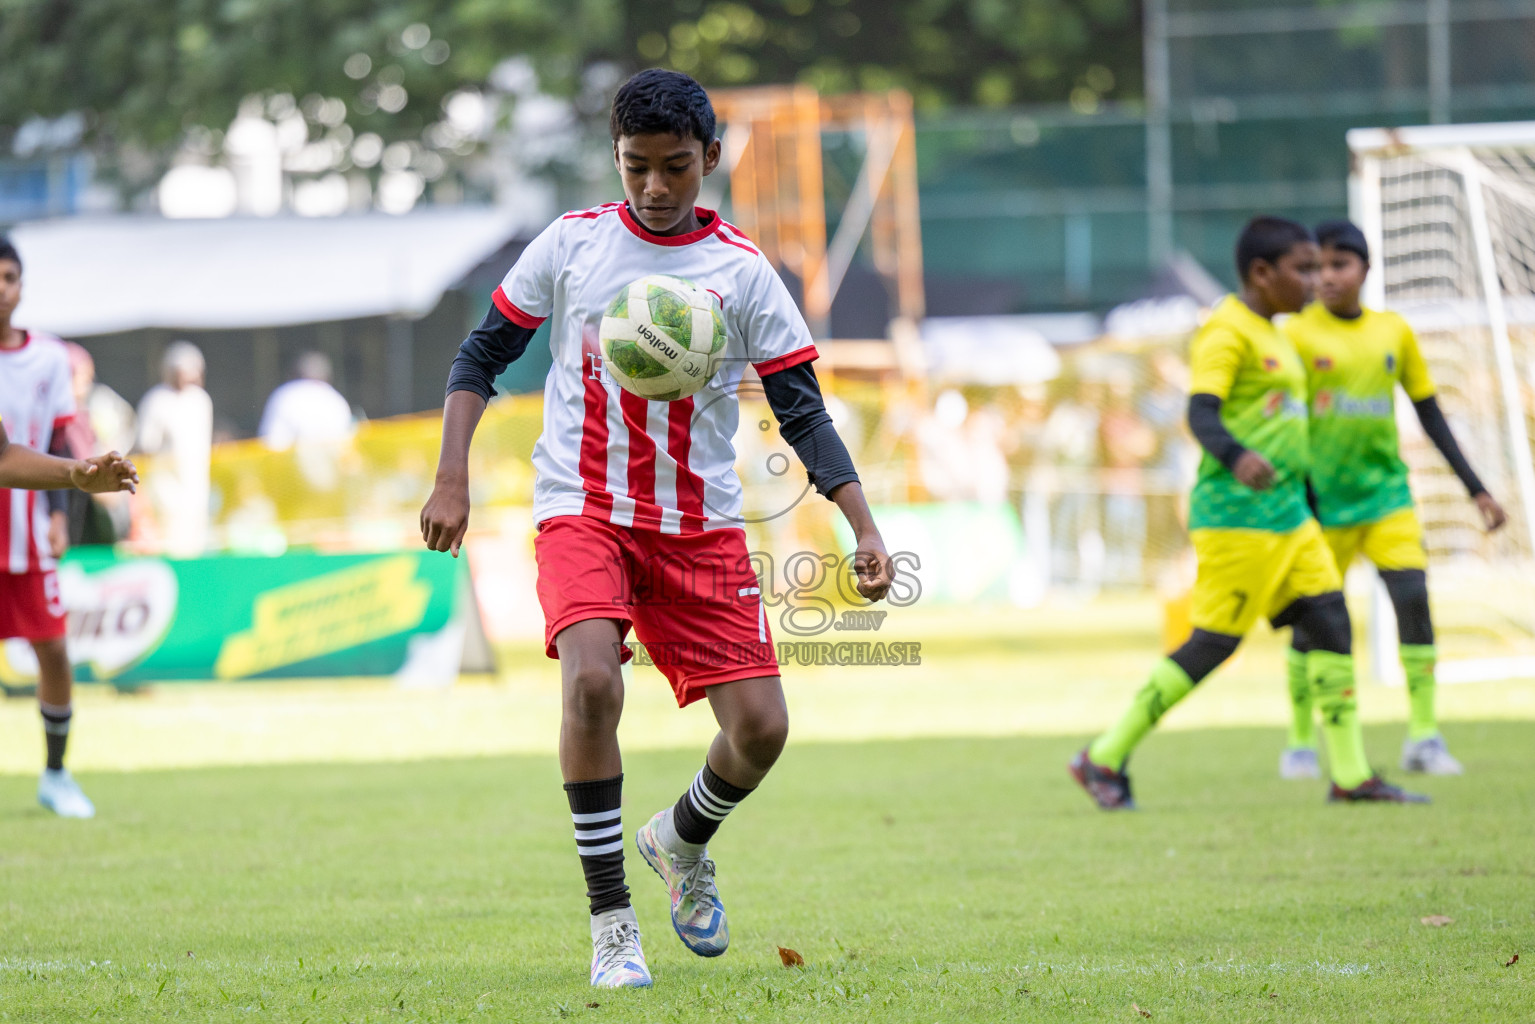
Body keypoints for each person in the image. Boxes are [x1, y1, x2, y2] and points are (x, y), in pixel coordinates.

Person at [420, 70, 893, 989]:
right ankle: (611, 927)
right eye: (636, 167)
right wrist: (452, 475)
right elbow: (483, 352)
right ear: (617, 160)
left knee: (761, 732)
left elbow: (801, 410)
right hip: (582, 509)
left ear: (710, 160)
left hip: (700, 527)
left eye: (676, 167)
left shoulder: (743, 273)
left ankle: (679, 840)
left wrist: (861, 527)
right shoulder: (571, 245)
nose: (655, 187)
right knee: (592, 683)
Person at [1069, 216, 1426, 809]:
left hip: (1290, 517)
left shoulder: (1277, 332)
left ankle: (1350, 774)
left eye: (1320, 267)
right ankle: (1103, 756)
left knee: (1332, 625)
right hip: (1240, 518)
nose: (1314, 280)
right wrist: (1236, 457)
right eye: (1303, 268)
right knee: (1212, 644)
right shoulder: (1227, 331)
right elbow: (1200, 413)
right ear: (1262, 274)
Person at [1277, 220, 1506, 779]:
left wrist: (1475, 488)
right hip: (1321, 505)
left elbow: (1430, 414)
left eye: (1339, 265)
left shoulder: (1394, 333)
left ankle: (1424, 737)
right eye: (1318, 267)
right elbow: (1283, 426)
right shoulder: (1297, 336)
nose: (1326, 277)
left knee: (1413, 603)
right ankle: (1301, 741)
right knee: (1315, 626)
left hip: (1387, 499)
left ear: (1365, 269)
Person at [0, 238, 138, 819]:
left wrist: (63, 506)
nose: (0, 288)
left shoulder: (49, 358)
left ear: (22, 286)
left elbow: (50, 440)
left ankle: (56, 775)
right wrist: (78, 476)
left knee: (53, 651)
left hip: (27, 536)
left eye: (8, 277)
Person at [136, 341, 214, 557]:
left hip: (196, 490)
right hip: (166, 493)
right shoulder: (157, 401)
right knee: (171, 547)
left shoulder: (200, 401)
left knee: (196, 545)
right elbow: (146, 447)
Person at [259, 351, 355, 449]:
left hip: (295, 462)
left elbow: (270, 443)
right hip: (332, 462)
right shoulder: (336, 399)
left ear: (293, 374)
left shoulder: (287, 395)